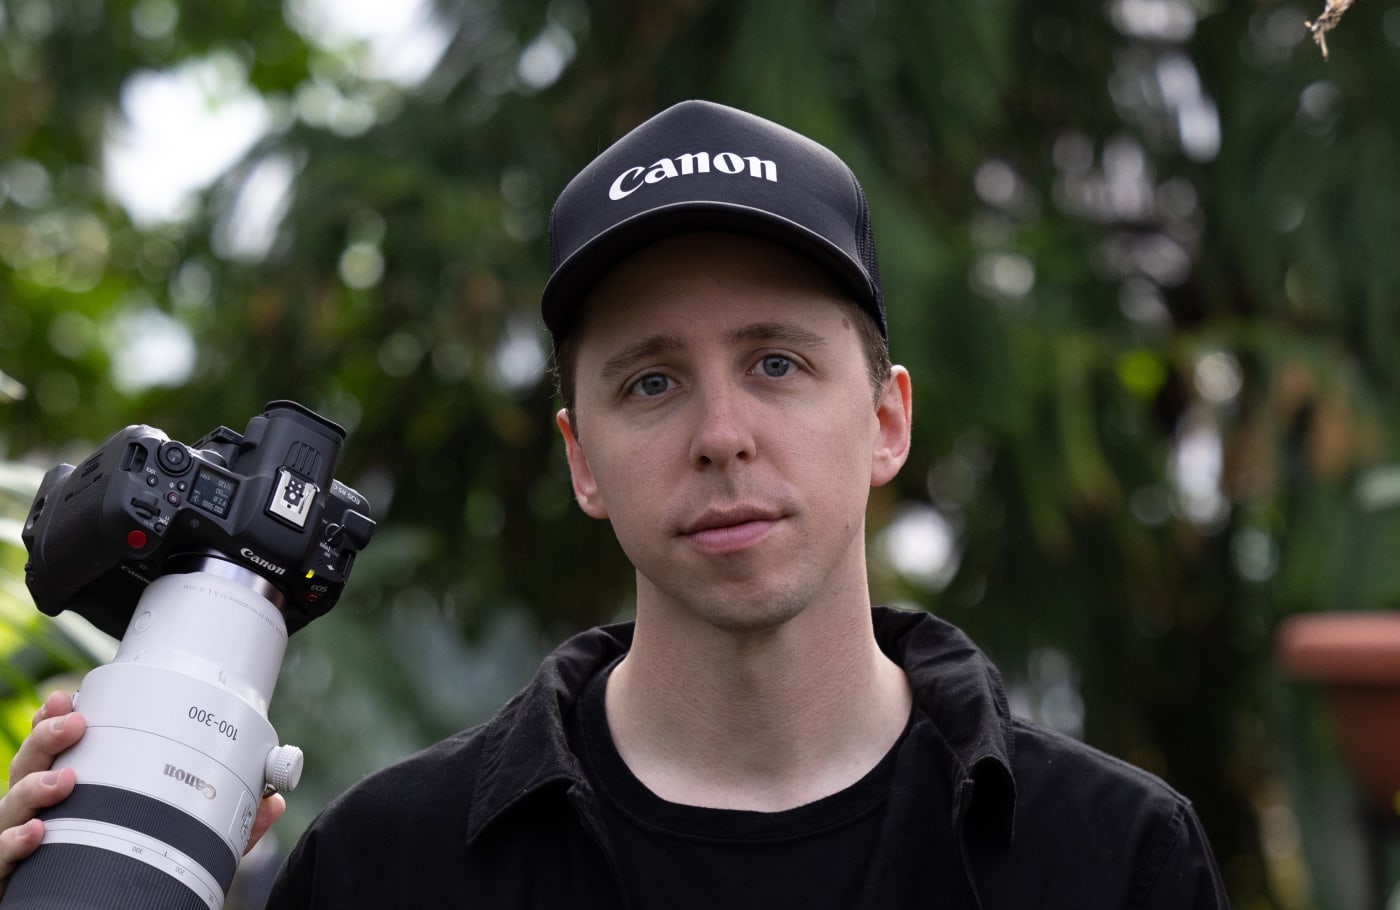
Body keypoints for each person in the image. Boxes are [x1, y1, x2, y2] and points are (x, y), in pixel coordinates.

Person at [0, 100, 1229, 908]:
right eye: (651, 381)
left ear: (885, 419)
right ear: (581, 457)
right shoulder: (389, 866)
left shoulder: (1109, 858)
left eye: (776, 362)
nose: (720, 433)